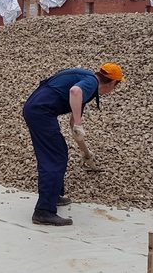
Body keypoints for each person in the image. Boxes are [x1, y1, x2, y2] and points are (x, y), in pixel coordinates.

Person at [22, 62, 125, 226]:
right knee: (54, 158)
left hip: (38, 110)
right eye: (116, 86)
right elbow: (74, 92)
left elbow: (72, 121)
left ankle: (54, 195)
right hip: (40, 112)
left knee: (60, 152)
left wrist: (85, 149)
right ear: (113, 83)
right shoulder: (91, 82)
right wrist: (78, 124)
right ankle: (44, 211)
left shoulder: (87, 83)